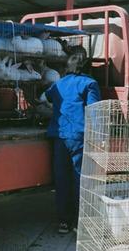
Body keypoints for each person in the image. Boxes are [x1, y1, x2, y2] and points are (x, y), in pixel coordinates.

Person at [42, 45, 100, 234]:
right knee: (79, 179)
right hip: (78, 137)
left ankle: (63, 223)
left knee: (62, 179)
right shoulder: (89, 84)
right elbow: (94, 112)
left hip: (60, 137)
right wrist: (99, 138)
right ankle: (78, 222)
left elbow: (48, 97)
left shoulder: (58, 84)